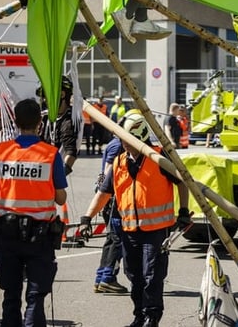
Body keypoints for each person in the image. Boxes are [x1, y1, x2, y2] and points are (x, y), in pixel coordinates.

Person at [79, 110, 190, 327]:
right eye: (122, 139)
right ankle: (139, 315)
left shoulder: (159, 158)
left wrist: (184, 211)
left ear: (140, 138)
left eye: (127, 140)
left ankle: (151, 317)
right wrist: (86, 218)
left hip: (156, 231)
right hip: (129, 231)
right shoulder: (120, 161)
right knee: (134, 277)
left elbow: (182, 181)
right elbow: (104, 193)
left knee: (152, 277)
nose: (123, 144)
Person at [0, 98, 68, 327]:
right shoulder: (50, 154)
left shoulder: (2, 151)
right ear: (40, 123)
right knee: (35, 296)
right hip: (39, 236)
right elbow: (61, 197)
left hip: (7, 233)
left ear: (16, 122)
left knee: (10, 295)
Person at [39, 76, 80, 176]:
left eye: (47, 95)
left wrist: (57, 178)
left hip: (50, 176)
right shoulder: (45, 117)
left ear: (62, 94)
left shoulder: (69, 121)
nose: (44, 100)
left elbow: (70, 152)